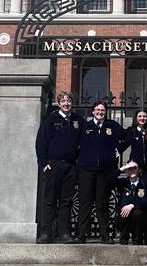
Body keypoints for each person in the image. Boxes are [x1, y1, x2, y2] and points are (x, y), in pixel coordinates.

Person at [35, 91, 83, 243]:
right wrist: (43, 164)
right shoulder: (51, 120)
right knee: (49, 200)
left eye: (68, 101)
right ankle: (46, 232)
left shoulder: (77, 121)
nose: (66, 104)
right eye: (63, 101)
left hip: (70, 166)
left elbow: (85, 142)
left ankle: (63, 232)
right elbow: (41, 143)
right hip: (53, 165)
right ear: (59, 103)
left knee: (66, 201)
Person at [76, 100, 125, 243]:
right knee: (85, 203)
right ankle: (81, 235)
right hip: (86, 170)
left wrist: (117, 151)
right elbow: (75, 144)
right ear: (92, 112)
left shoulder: (113, 126)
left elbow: (127, 137)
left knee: (102, 203)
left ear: (106, 112)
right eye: (97, 110)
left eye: (102, 110)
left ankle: (105, 235)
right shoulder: (86, 126)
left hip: (104, 171)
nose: (100, 112)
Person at [114, 160, 147, 245]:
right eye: (129, 168)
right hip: (124, 218)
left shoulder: (145, 183)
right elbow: (108, 181)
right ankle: (124, 239)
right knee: (123, 211)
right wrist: (122, 168)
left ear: (139, 169)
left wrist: (133, 205)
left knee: (137, 213)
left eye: (134, 168)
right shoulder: (123, 183)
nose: (132, 170)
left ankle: (137, 239)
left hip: (140, 217)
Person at [124, 108, 147, 176]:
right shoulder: (132, 131)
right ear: (136, 118)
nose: (142, 118)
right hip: (136, 168)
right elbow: (124, 145)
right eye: (140, 116)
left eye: (144, 116)